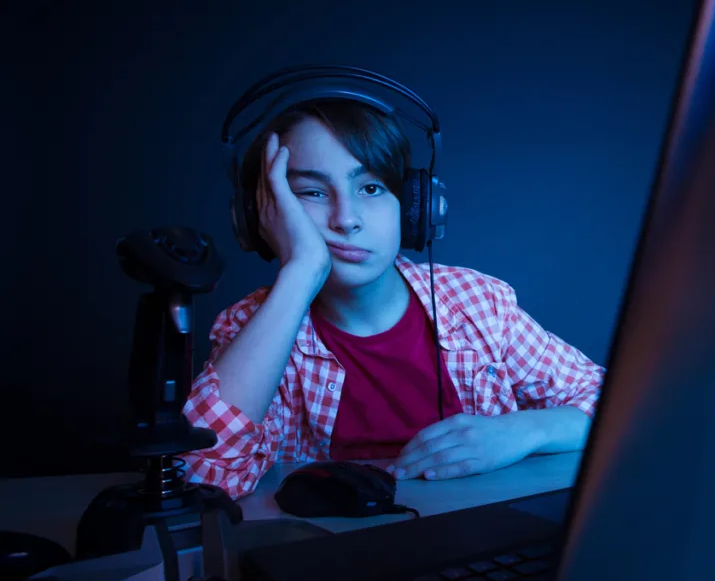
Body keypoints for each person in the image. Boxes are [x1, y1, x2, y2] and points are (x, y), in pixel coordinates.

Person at [181, 98, 605, 499]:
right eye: (311, 192)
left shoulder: (478, 303)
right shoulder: (251, 326)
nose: (345, 219)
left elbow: (611, 399)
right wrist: (301, 270)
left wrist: (525, 430)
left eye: (370, 188)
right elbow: (201, 475)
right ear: (265, 214)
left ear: (415, 206)